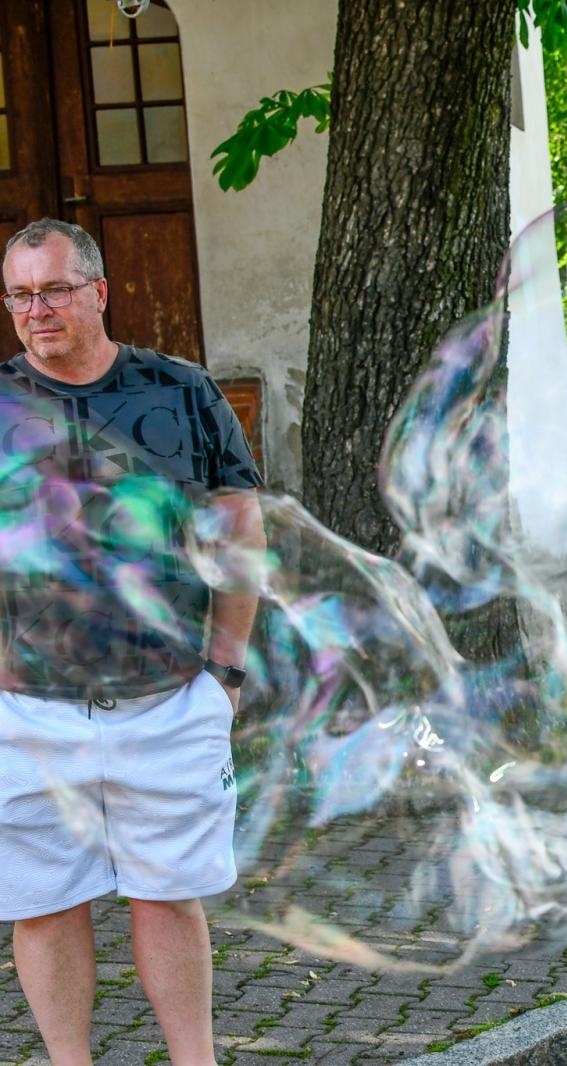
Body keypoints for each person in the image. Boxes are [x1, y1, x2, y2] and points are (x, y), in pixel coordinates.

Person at [1, 219, 265, 1066]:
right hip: (28, 711)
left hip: (168, 699)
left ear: (99, 292)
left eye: (54, 289)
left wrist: (225, 672)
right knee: (44, 907)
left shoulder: (181, 392)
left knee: (169, 899)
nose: (36, 310)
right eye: (19, 295)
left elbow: (239, 529)